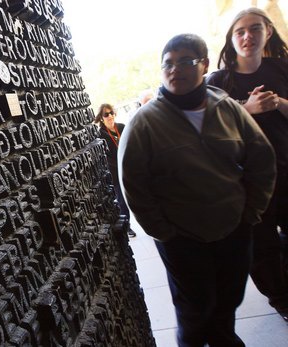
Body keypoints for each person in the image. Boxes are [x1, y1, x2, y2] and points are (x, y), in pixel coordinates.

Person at [118, 33, 276, 346]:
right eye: (168, 63)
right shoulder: (144, 123)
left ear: (203, 64)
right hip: (182, 238)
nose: (175, 69)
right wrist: (164, 232)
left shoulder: (228, 108)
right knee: (195, 309)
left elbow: (262, 159)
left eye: (185, 61)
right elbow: (134, 185)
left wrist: (250, 212)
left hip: (234, 228)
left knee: (228, 299)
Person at [206, 7, 288, 322]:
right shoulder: (218, 80)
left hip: (285, 167)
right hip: (246, 180)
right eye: (240, 31)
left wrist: (278, 102)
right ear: (231, 38)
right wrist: (248, 108)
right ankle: (281, 299)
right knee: (262, 247)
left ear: (268, 32)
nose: (247, 36)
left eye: (255, 29)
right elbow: (207, 127)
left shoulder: (281, 68)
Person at [95, 104, 136, 238]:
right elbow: (106, 157)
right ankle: (127, 227)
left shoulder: (122, 127)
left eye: (111, 113)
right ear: (101, 118)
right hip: (116, 173)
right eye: (106, 114)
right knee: (122, 202)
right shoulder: (100, 134)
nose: (110, 116)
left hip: (130, 169)